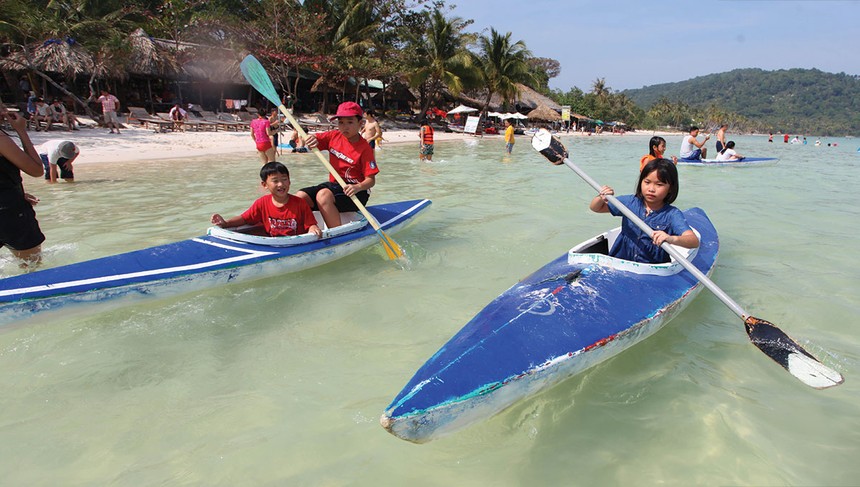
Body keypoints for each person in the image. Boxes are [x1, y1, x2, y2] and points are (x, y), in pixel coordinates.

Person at [589, 158, 699, 264]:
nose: (651, 189)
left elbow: (693, 241)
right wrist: (601, 197)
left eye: (659, 184)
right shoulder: (630, 202)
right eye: (647, 182)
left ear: (670, 188)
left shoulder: (671, 214)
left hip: (651, 268)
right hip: (619, 262)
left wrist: (670, 239)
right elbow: (596, 208)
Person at [297, 101, 378, 229]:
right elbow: (314, 139)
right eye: (341, 122)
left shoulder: (365, 148)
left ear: (360, 123)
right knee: (300, 197)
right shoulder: (334, 136)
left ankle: (336, 233)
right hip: (334, 186)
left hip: (357, 193)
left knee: (323, 195)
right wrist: (311, 139)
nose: (345, 127)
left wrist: (357, 187)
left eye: (350, 122)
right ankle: (305, 230)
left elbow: (371, 181)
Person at [211, 162, 321, 238]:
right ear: (265, 185)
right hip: (272, 243)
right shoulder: (262, 203)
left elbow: (311, 225)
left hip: (296, 243)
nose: (281, 184)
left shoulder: (300, 203)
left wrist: (313, 229)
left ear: (289, 182)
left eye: (284, 179)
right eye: (275, 181)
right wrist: (226, 223)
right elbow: (244, 219)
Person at [0, 105, 45, 266]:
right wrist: (21, 131)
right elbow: (37, 170)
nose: (4, 111)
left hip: (8, 203)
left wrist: (19, 193)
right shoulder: (1, 139)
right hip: (9, 213)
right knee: (32, 267)